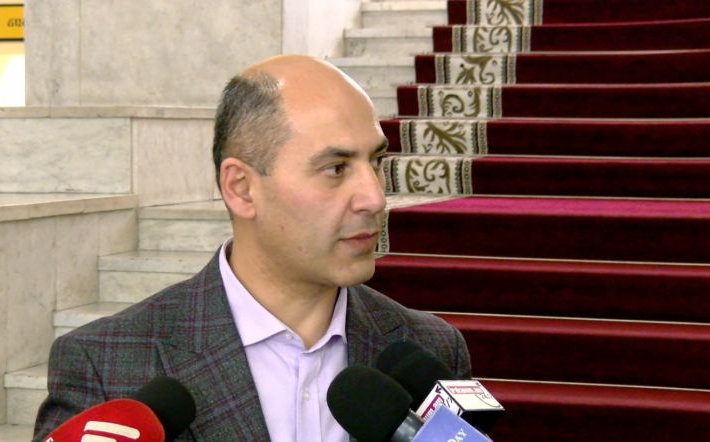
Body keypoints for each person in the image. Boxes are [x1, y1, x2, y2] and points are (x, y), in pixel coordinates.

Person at [32, 55, 471, 442]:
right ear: (241, 188)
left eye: (375, 162)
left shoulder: (430, 349)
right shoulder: (107, 364)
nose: (374, 198)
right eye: (336, 168)